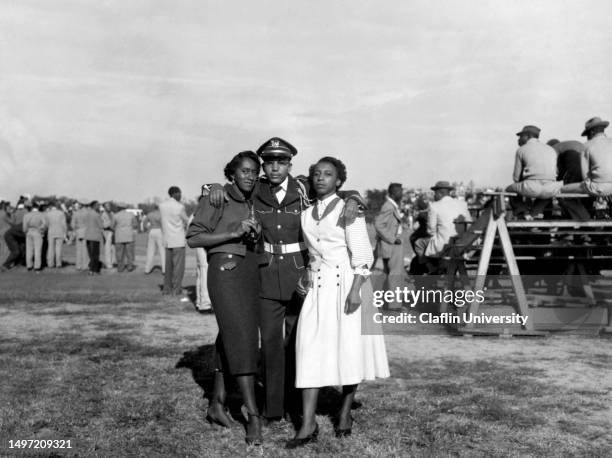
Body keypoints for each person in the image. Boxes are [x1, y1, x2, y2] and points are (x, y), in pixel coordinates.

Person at [208, 137, 365, 422]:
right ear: (263, 166)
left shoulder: (305, 186)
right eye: (269, 163)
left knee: (298, 342)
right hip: (266, 273)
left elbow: (343, 188)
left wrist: (355, 198)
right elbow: (223, 189)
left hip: (302, 274)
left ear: (290, 165)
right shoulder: (256, 186)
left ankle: (296, 403)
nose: (275, 168)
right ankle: (273, 408)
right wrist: (215, 187)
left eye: (281, 162)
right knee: (269, 342)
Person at [286, 157, 389, 449]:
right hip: (319, 287)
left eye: (328, 174)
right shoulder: (306, 214)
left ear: (339, 181)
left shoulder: (349, 209)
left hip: (348, 284)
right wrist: (306, 274)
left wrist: (356, 289)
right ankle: (307, 424)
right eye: (316, 174)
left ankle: (344, 413)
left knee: (349, 347)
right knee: (308, 347)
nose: (321, 178)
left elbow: (363, 254)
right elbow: (312, 253)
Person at [186, 151, 263, 445]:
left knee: (231, 334)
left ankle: (217, 403)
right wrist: (232, 233)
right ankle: (253, 415)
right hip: (225, 270)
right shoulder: (216, 197)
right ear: (231, 173)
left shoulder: (251, 197)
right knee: (243, 339)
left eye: (254, 172)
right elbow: (194, 237)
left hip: (247, 270)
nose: (251, 176)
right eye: (244, 171)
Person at [505, 125, 562, 219]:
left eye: (520, 136)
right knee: (546, 194)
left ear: (527, 136)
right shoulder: (551, 149)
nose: (519, 139)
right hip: (551, 188)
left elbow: (516, 178)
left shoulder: (521, 149)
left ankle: (522, 213)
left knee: (509, 189)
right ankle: (534, 213)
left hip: (531, 187)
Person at [413, 181, 472, 271]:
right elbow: (469, 225)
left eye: (434, 193)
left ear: (439, 193)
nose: (434, 196)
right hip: (461, 244)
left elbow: (430, 231)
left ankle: (431, 268)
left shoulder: (434, 206)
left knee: (418, 243)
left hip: (443, 245)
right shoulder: (462, 204)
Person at [561, 117, 612, 219]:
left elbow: (586, 176)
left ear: (592, 132)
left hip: (598, 187)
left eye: (587, 134)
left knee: (562, 192)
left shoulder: (586, 146)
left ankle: (587, 221)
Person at [374, 183, 405, 310]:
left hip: (388, 244)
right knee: (396, 274)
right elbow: (379, 224)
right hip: (391, 245)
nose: (401, 194)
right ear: (392, 193)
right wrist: (393, 239)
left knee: (386, 274)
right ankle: (394, 305)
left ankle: (381, 302)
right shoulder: (389, 206)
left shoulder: (392, 206)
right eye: (399, 191)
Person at [159, 186, 189, 300]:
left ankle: (167, 289)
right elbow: (186, 220)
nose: (180, 196)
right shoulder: (180, 207)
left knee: (168, 267)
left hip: (167, 240)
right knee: (178, 268)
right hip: (178, 240)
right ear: (174, 193)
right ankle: (177, 290)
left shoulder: (162, 206)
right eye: (179, 193)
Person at [113, 203, 137, 272]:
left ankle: (120, 267)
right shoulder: (131, 215)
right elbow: (135, 224)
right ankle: (130, 266)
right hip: (129, 235)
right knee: (129, 252)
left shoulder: (115, 215)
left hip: (119, 236)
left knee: (119, 253)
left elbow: (112, 225)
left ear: (118, 207)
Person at [23, 202, 46, 272]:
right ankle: (37, 267)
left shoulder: (26, 215)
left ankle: (29, 266)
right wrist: (42, 232)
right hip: (37, 232)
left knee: (29, 250)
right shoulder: (41, 214)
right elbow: (44, 225)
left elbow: (24, 227)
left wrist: (26, 232)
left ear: (32, 207)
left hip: (29, 232)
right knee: (37, 250)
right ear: (38, 207)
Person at [143, 204, 165, 274]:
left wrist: (147, 229)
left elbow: (144, 223)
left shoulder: (150, 214)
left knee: (150, 251)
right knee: (162, 251)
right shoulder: (161, 214)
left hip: (151, 230)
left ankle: (147, 269)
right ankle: (164, 269)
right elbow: (163, 224)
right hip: (159, 231)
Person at [45, 201, 67, 268]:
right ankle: (58, 263)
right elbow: (64, 224)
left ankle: (50, 263)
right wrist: (65, 232)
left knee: (50, 248)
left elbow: (46, 224)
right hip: (59, 232)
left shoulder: (48, 214)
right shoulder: (61, 213)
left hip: (51, 232)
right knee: (59, 248)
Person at [83, 201, 104, 275]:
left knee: (90, 254)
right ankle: (94, 270)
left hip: (88, 235)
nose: (99, 207)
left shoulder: (87, 214)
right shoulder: (96, 215)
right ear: (94, 206)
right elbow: (101, 225)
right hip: (95, 236)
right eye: (98, 205)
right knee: (95, 254)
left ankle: (91, 269)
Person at [72, 202, 90, 270]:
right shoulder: (89, 213)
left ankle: (78, 265)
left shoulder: (76, 213)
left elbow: (72, 225)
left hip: (79, 231)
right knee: (85, 249)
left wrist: (77, 228)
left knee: (78, 250)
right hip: (87, 232)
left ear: (80, 205)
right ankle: (85, 265)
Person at [100, 202, 116, 269]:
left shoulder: (112, 214)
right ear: (104, 207)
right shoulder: (103, 215)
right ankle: (108, 264)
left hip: (113, 232)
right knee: (107, 249)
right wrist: (109, 224)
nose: (108, 207)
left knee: (113, 248)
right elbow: (103, 225)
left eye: (109, 206)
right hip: (106, 232)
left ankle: (113, 262)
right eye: (107, 206)